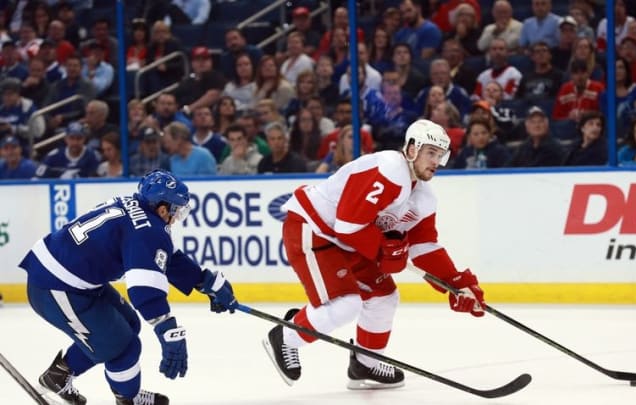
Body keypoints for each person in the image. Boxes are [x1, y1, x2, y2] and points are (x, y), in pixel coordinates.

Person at [262, 119, 486, 390]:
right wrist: (384, 251)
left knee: (384, 297)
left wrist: (457, 284)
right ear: (412, 149)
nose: (436, 161)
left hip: (346, 243)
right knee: (347, 303)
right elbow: (348, 225)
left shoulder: (424, 198)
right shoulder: (390, 167)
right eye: (430, 152)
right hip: (313, 230)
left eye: (440, 155)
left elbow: (423, 245)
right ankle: (285, 336)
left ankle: (365, 363)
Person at [19, 169, 238, 405]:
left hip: (66, 277)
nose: (176, 217)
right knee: (124, 347)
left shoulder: (135, 206)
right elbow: (144, 291)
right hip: (55, 288)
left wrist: (205, 281)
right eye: (177, 209)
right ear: (163, 208)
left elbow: (164, 257)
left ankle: (57, 376)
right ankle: (128, 400)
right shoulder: (150, 230)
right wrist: (168, 329)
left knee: (127, 325)